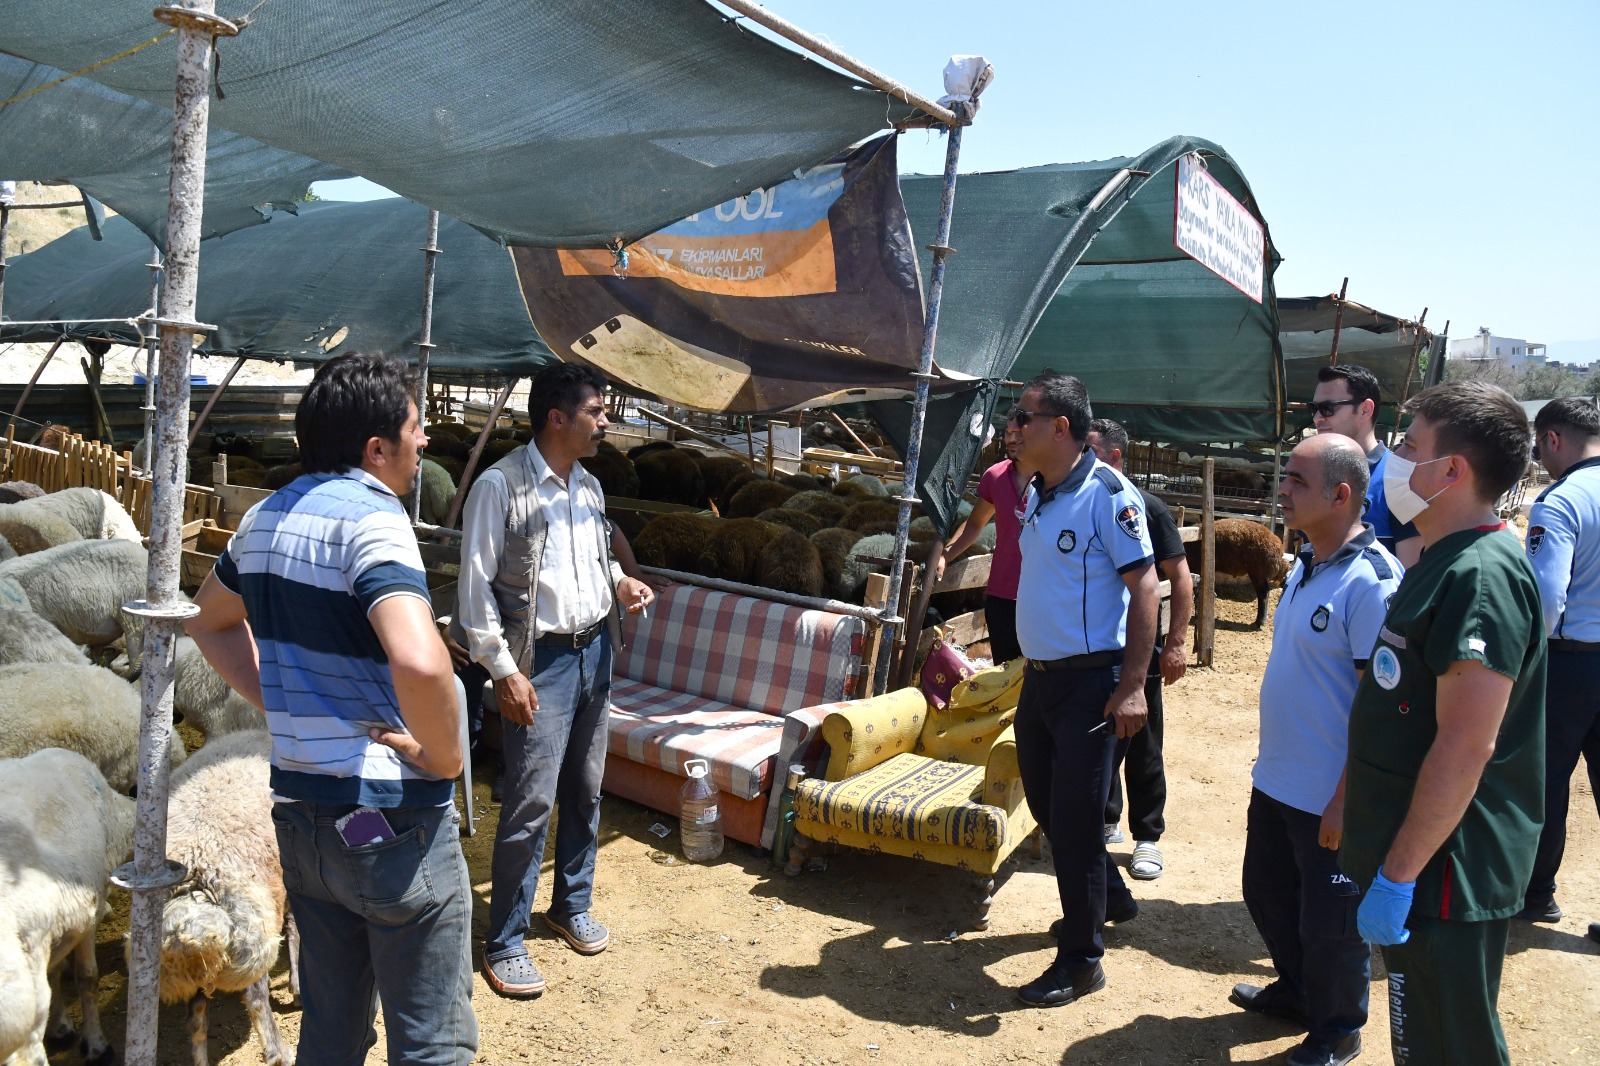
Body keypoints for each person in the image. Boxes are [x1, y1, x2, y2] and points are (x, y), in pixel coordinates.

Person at [187, 351, 476, 1066]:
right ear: (376, 448)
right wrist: (443, 756)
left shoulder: (262, 517)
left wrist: (275, 700)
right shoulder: (375, 520)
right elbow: (417, 657)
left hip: (302, 819)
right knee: (432, 1041)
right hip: (389, 816)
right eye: (416, 429)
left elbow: (207, 619)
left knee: (333, 1029)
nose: (425, 443)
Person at [1341, 381, 1545, 1066]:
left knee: (1451, 1044)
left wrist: (1399, 874)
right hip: (1420, 859)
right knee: (1423, 1038)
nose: (1393, 460)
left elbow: (1467, 742)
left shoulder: (1481, 576)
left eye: (1409, 445)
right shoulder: (1443, 559)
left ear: (1452, 470)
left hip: (1442, 871)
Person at [454, 361, 655, 999]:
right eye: (596, 412)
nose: (605, 422)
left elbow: (595, 559)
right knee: (531, 800)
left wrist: (620, 584)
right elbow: (474, 595)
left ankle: (569, 904)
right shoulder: (500, 487)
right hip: (540, 663)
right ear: (557, 418)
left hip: (596, 650)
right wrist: (505, 672)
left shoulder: (588, 487)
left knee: (587, 788)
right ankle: (505, 938)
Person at [1231, 434, 1401, 1066]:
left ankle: (1337, 1028)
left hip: (1332, 793)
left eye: (1298, 481)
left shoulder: (1372, 583)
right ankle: (1300, 991)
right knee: (1265, 891)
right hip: (1279, 778)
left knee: (1332, 925)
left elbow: (1379, 709)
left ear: (1341, 494)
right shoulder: (1305, 564)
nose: (1283, 491)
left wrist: (1344, 800)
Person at [1007, 372, 1159, 1008]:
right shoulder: (1039, 488)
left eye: (1024, 417)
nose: (1012, 428)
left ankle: (1081, 959)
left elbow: (1146, 588)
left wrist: (1131, 687)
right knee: (1047, 804)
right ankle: (1110, 897)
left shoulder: (1108, 495)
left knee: (1072, 822)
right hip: (1040, 682)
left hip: (1090, 685)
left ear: (1060, 427)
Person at [1084, 418, 1192, 879]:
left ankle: (1148, 836)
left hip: (1137, 649)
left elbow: (1180, 579)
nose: (1080, 458)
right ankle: (1107, 821)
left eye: (1089, 450)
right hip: (1094, 650)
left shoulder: (1146, 507)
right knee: (1098, 739)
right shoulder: (1073, 502)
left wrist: (1176, 644)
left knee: (1143, 741)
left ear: (1114, 455)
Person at [1517, 397, 1600, 924]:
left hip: (1572, 663)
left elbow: (1546, 600)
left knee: (1544, 780)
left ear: (1552, 439)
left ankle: (1535, 893)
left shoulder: (1561, 501)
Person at [1312, 364, 1423, 567]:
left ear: (1365, 410)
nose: (1318, 418)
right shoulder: (1315, 474)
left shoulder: (1401, 479)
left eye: (1327, 408)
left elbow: (1407, 576)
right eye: (1314, 409)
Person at [939, 419, 1028, 663]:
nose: (1010, 439)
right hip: (1001, 594)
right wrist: (945, 555)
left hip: (1042, 597)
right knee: (1004, 670)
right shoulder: (996, 475)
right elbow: (975, 522)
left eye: (1018, 432)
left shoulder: (1056, 478)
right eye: (1008, 433)